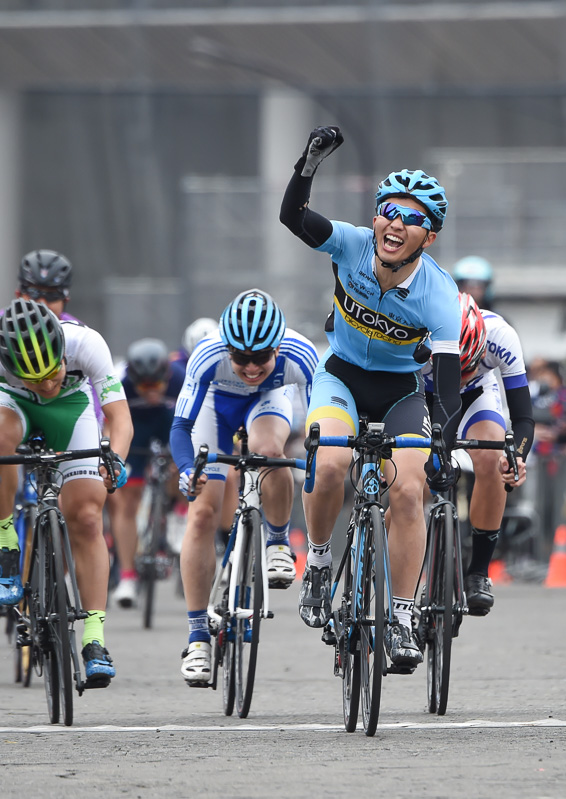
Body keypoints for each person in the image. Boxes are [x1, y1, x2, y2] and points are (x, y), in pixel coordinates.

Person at [279, 125, 463, 674]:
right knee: (331, 460)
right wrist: (307, 164)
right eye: (389, 211)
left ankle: (402, 614)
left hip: (400, 391)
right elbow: (294, 218)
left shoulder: (440, 296)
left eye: (412, 219)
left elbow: (448, 384)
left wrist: (443, 447)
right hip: (341, 378)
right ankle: (315, 560)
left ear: (429, 238)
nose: (395, 224)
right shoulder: (353, 242)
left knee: (408, 490)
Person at [0, 299, 131, 688]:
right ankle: (5, 545)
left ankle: (94, 638)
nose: (48, 384)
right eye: (35, 378)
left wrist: (114, 458)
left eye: (54, 372)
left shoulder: (86, 344)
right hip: (13, 408)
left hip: (72, 412)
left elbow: (120, 418)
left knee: (86, 517)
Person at [171, 289, 317, 686]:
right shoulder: (208, 355)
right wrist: (188, 469)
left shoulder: (299, 354)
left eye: (261, 358)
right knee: (202, 513)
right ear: (227, 349)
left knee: (271, 450)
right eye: (240, 358)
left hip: (270, 402)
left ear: (277, 347)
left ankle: (277, 542)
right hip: (214, 410)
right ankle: (199, 636)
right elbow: (181, 428)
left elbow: (319, 427)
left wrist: (317, 465)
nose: (251, 367)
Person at [0, 249, 90, 608]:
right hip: (6, 411)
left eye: (52, 296)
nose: (43, 302)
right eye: (34, 294)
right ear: (19, 294)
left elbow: (91, 398)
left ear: (65, 298)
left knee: (77, 509)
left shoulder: (75, 332)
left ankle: (55, 580)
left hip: (57, 414)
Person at [424, 294, 532, 615]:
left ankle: (479, 572)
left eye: (467, 367)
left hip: (478, 395)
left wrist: (516, 457)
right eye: (455, 370)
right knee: (411, 471)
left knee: (492, 458)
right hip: (422, 391)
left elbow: (523, 417)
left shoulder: (501, 335)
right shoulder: (415, 331)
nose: (459, 378)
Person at [106, 338, 184, 609]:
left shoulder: (180, 379)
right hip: (135, 427)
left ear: (167, 376)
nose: (151, 392)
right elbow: (110, 424)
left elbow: (195, 423)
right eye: (144, 386)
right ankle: (127, 575)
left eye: (157, 385)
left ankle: (179, 514)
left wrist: (180, 458)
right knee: (128, 500)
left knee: (185, 464)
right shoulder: (121, 383)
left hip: (170, 422)